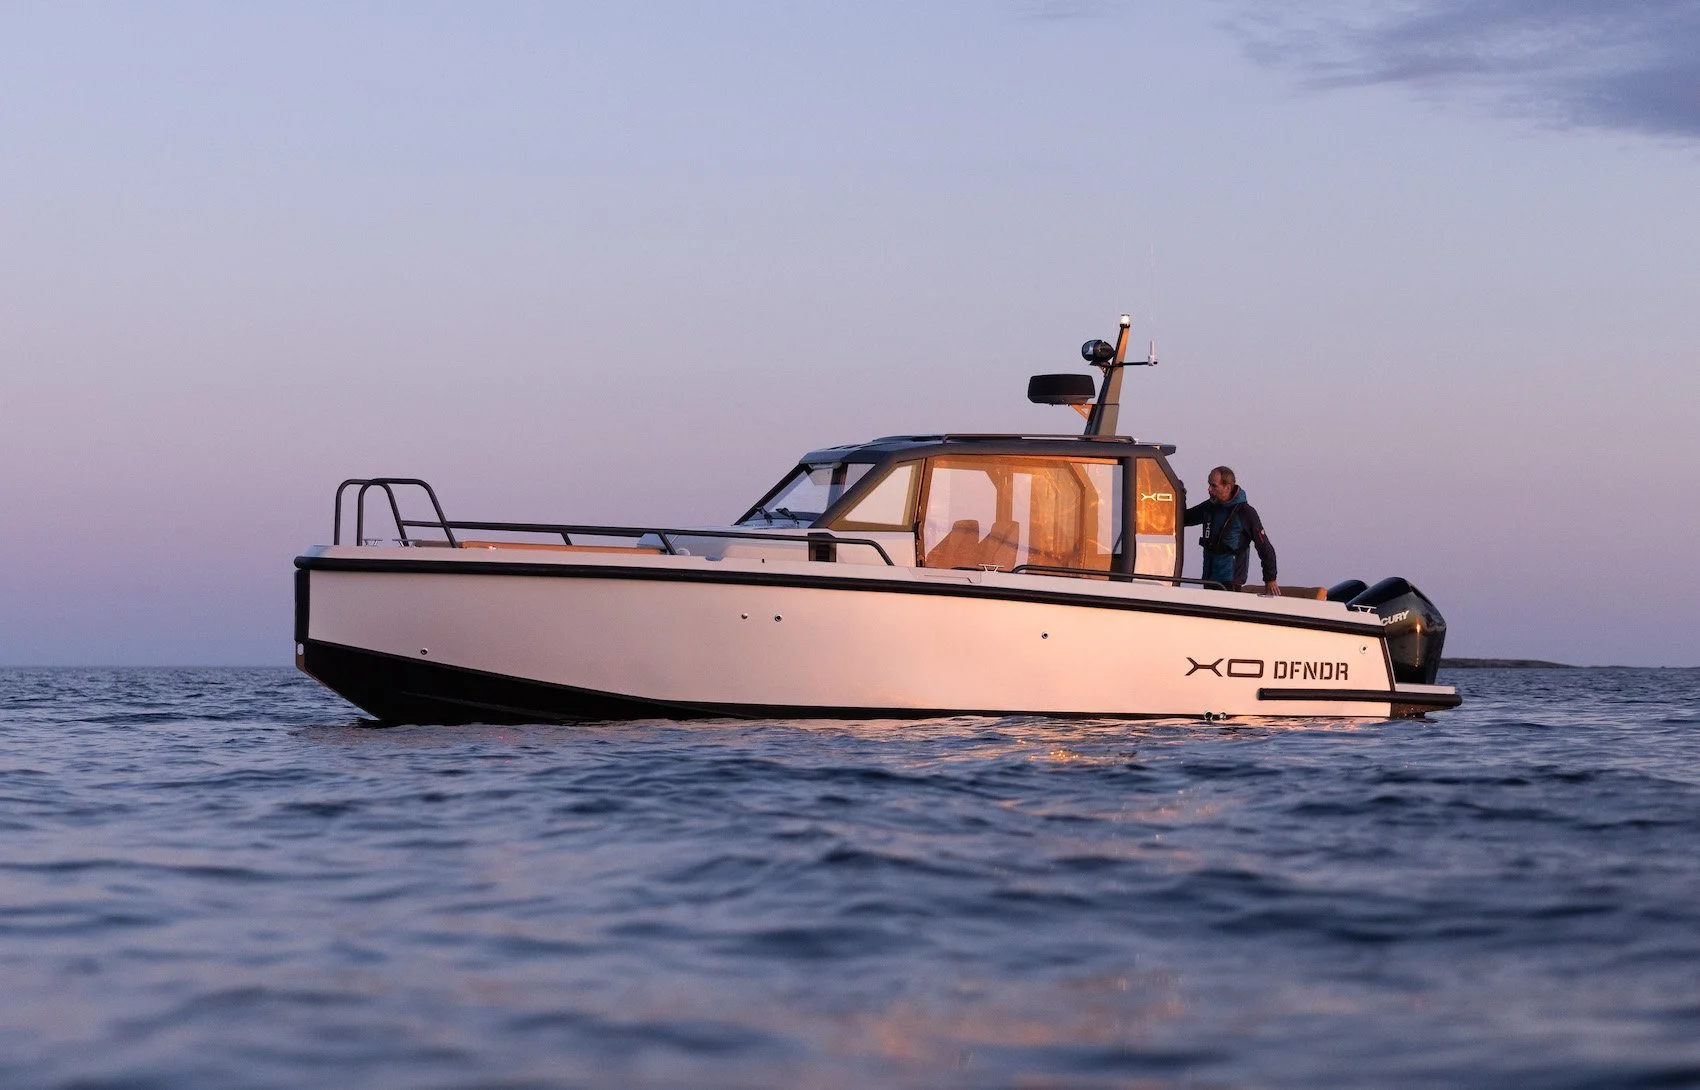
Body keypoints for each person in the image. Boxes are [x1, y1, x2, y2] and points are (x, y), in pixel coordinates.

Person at [1184, 466, 1278, 594]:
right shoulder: (1210, 507)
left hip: (1230, 585)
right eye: (1209, 485)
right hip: (1209, 581)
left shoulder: (1246, 513)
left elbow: (1264, 547)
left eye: (1213, 486)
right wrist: (1179, 494)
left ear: (1227, 487)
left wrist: (1270, 578)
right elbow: (1184, 518)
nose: (1209, 489)